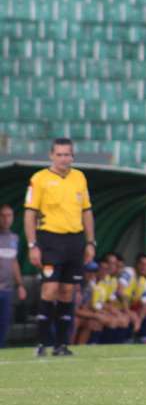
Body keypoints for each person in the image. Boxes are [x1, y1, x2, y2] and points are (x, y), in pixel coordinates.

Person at [24, 138, 97, 357]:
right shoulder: (39, 179)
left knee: (67, 292)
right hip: (49, 240)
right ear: (51, 155)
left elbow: (86, 211)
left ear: (73, 156)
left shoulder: (79, 178)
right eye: (60, 154)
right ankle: (41, 343)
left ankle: (61, 345)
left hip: (74, 241)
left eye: (68, 154)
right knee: (50, 289)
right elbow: (30, 214)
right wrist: (32, 245)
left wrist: (91, 242)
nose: (64, 158)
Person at [0, 204, 27, 349]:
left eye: (9, 215)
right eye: (3, 215)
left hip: (8, 289)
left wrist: (20, 285)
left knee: (4, 322)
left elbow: (14, 262)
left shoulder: (14, 238)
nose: (6, 219)